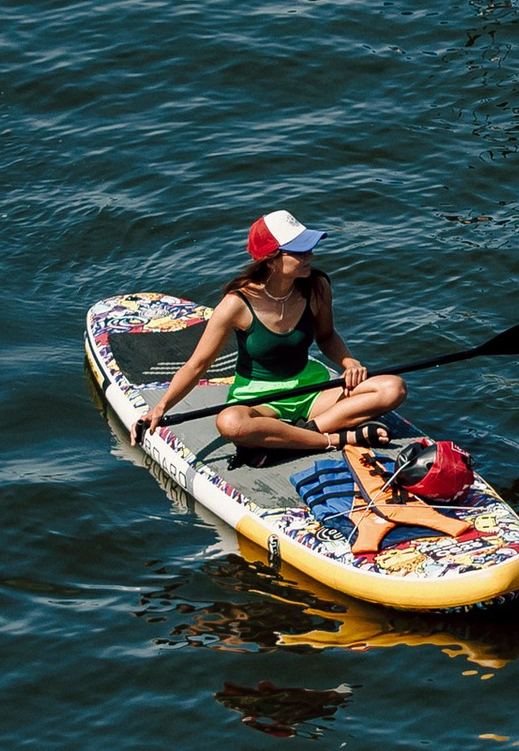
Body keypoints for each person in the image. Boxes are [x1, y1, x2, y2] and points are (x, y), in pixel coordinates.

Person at [127, 214, 478, 557]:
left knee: (392, 389)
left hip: (311, 391)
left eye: (309, 248)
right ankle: (334, 437)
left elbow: (327, 336)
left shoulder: (316, 287)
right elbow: (197, 365)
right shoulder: (237, 304)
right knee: (231, 423)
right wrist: (159, 408)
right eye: (300, 250)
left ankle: (293, 437)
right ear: (272, 259)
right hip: (260, 397)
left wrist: (349, 363)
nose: (310, 255)